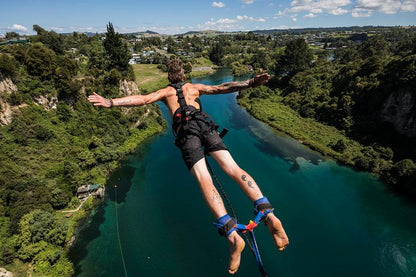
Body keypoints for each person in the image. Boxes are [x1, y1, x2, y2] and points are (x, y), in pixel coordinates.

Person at [88, 59, 289, 274]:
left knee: (204, 178)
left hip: (187, 133)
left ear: (169, 77)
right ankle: (268, 213)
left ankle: (232, 236)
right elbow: (222, 88)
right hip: (205, 125)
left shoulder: (166, 92)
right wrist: (250, 83)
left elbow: (143, 99)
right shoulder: (194, 87)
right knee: (233, 168)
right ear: (183, 75)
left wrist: (111, 102)